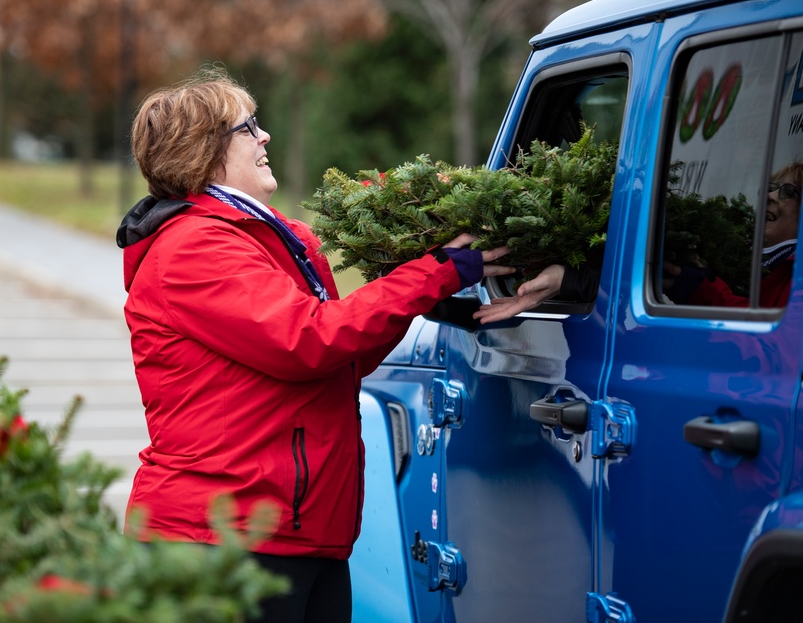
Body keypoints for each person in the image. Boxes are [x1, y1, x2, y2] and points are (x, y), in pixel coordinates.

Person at [115, 66, 512, 623]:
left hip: (295, 532)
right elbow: (311, 340)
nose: (264, 136)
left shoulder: (266, 234)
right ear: (204, 151)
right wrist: (436, 273)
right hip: (222, 538)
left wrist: (428, 292)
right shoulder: (193, 248)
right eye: (247, 127)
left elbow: (345, 354)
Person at [664, 162, 803, 308]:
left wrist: (702, 291)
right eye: (770, 188)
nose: (769, 195)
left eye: (787, 192)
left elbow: (770, 328)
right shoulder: (732, 257)